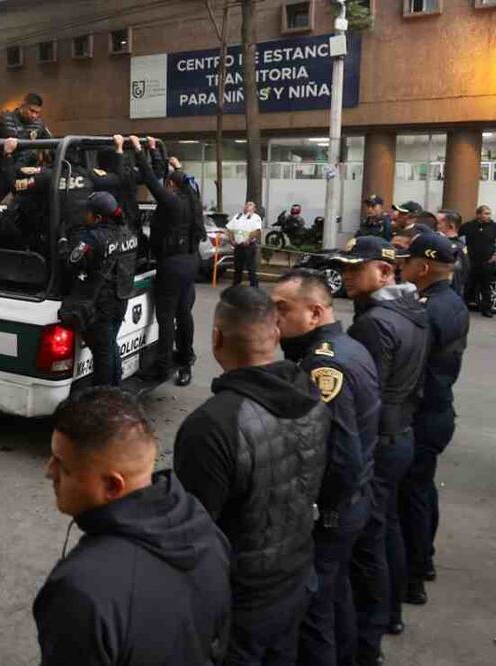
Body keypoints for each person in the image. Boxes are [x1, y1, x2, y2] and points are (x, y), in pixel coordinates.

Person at [174, 285, 329, 665]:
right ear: (275, 336)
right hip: (295, 577)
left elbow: (193, 535)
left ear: (216, 338)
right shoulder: (311, 392)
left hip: (241, 603)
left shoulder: (213, 425)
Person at [34, 388, 232, 665]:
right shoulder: (206, 531)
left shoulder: (81, 591)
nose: (48, 471)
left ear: (112, 485)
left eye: (62, 465)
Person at [270, 270, 381, 666]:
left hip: (334, 510)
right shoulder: (347, 346)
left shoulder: (322, 366)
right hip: (353, 501)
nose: (274, 319)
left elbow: (340, 456)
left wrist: (318, 509)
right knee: (335, 597)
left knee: (314, 612)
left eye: (282, 310)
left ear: (315, 313)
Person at [333, 237, 428, 665]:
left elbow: (364, 394)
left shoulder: (373, 323)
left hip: (383, 439)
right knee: (386, 525)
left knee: (372, 538)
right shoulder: (408, 308)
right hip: (401, 430)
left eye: (358, 268)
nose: (347, 275)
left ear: (386, 272)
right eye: (345, 268)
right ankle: (389, 611)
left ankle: (374, 624)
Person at [396, 233, 469, 606]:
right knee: (422, 489)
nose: (401, 267)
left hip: (423, 411)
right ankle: (423, 561)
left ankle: (412, 574)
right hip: (439, 407)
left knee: (410, 496)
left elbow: (410, 364)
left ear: (422, 268)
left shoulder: (426, 309)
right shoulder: (451, 300)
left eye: (406, 261)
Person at [131, 135, 207, 387]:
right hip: (190, 262)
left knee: (166, 317)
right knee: (184, 313)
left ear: (172, 186)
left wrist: (138, 151)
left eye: (169, 183)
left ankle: (162, 366)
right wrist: (156, 151)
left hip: (173, 265)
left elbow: (151, 182)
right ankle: (186, 359)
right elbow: (177, 177)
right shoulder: (193, 199)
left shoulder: (172, 202)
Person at [59, 192, 138, 387]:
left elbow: (71, 262)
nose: (84, 215)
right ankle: (115, 388)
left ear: (99, 217)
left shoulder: (94, 238)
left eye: (88, 212)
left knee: (103, 353)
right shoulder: (128, 232)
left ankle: (104, 397)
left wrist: (62, 240)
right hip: (121, 298)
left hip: (103, 304)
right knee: (110, 347)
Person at [458, 204, 496, 318]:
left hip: (487, 262)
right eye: (486, 213)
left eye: (489, 213)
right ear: (478, 215)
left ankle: (486, 310)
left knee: (485, 287)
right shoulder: (469, 226)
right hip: (471, 261)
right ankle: (463, 308)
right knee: (468, 286)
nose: (488, 216)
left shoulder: (495, 227)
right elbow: (456, 236)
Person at [227, 201, 264, 287]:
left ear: (254, 209)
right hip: (238, 246)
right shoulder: (238, 216)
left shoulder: (255, 217)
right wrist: (231, 240)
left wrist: (248, 240)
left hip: (248, 246)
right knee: (237, 268)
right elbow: (229, 229)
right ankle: (235, 286)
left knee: (251, 268)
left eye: (250, 205)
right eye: (246, 205)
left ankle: (254, 287)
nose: (247, 206)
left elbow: (257, 231)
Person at [436, 209, 469, 297]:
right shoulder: (458, 245)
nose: (436, 226)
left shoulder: (452, 247)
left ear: (451, 226)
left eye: (438, 223)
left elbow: (455, 277)